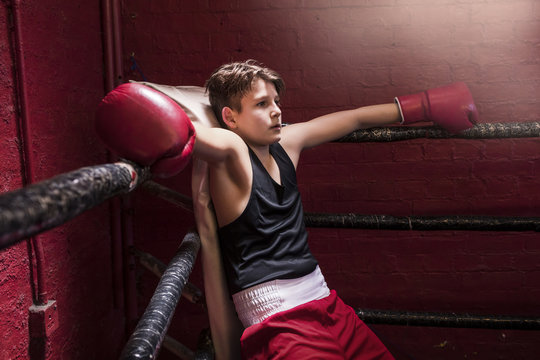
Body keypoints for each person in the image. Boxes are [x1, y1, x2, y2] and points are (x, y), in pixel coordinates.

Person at [95, 60, 478, 359]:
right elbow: (195, 131)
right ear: (229, 118)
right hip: (279, 320)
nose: (277, 111)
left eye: (276, 101)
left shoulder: (289, 140)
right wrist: (173, 117)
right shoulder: (232, 153)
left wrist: (426, 104)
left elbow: (356, 118)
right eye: (262, 104)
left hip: (325, 302)